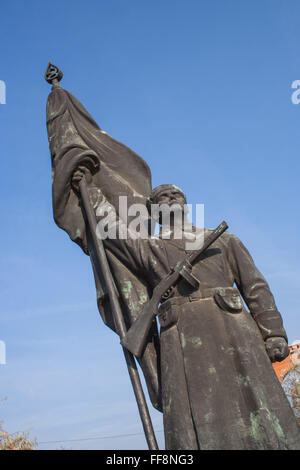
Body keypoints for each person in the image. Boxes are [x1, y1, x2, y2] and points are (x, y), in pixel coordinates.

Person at [72, 168, 300, 450]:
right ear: (154, 214)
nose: (168, 198)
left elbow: (256, 289)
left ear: (186, 205)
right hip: (181, 342)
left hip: (235, 335)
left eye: (174, 195)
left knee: (259, 412)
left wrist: (274, 334)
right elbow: (115, 231)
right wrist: (89, 189)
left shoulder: (224, 241)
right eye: (160, 199)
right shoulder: (150, 248)